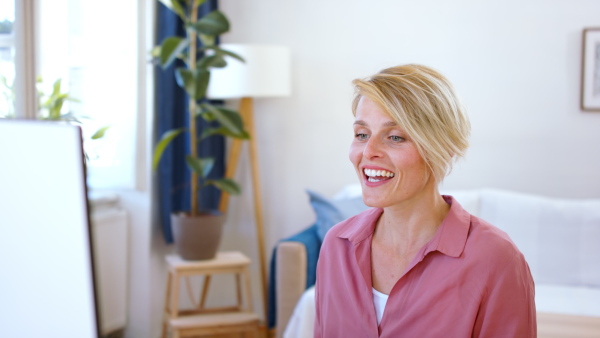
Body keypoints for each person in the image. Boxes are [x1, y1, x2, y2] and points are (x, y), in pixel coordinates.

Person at [313, 64, 536, 337]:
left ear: (441, 148)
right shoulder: (337, 247)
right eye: (362, 134)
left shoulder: (496, 260)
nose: (368, 152)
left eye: (394, 137)